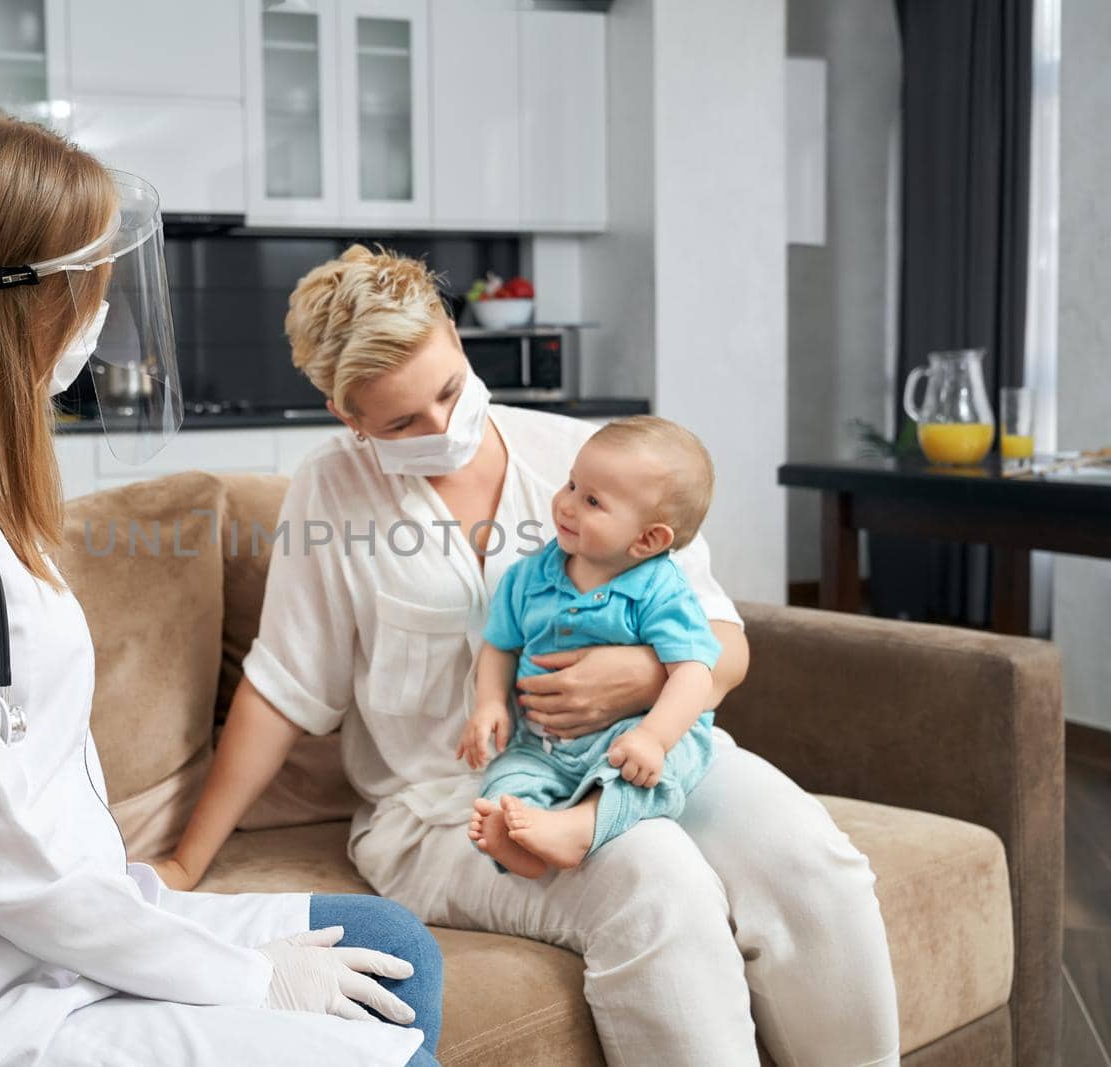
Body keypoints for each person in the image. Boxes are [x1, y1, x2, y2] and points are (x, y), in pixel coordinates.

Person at [0, 106, 441, 1067]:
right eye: (91, 291)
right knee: (383, 1049)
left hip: (38, 934)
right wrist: (247, 978)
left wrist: (162, 925)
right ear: (26, 305)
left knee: (391, 948)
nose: (102, 323)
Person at [154, 245, 902, 1065]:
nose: (443, 427)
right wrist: (189, 858)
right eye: (402, 421)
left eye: (447, 388)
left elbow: (723, 642)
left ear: (455, 334)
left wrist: (646, 675)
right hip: (442, 808)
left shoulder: (582, 457)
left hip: (647, 750)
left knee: (813, 863)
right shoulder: (331, 493)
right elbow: (281, 688)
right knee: (656, 881)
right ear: (346, 413)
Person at [460, 416, 724, 878]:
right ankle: (519, 848)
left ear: (648, 539)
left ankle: (581, 826)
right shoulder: (529, 577)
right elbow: (500, 645)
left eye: (593, 501)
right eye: (571, 485)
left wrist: (653, 738)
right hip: (542, 742)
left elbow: (694, 672)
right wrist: (488, 704)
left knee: (647, 776)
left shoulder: (661, 592)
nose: (566, 505)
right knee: (506, 782)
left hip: (631, 736)